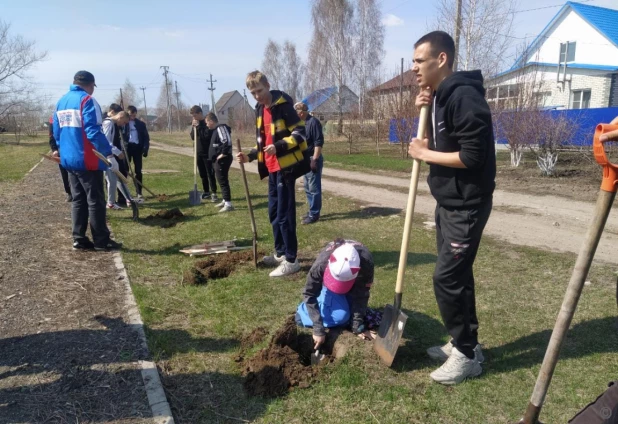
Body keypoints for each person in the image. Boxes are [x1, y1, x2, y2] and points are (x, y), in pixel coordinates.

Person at [407, 31, 495, 385]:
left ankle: (467, 356)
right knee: (458, 278)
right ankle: (466, 342)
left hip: (467, 206)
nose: (414, 68)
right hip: (449, 202)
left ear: (441, 59)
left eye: (419, 61)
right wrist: (425, 110)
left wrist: (425, 154)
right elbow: (449, 141)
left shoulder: (464, 97)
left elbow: (474, 156)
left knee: (446, 278)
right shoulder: (442, 97)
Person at [236, 70, 310, 277]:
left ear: (268, 85)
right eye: (253, 93)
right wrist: (250, 156)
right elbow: (263, 141)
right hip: (270, 167)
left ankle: (292, 260)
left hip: (285, 167)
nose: (257, 96)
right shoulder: (260, 109)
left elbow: (300, 134)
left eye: (259, 91)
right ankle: (280, 253)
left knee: (286, 215)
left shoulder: (284, 106)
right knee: (274, 213)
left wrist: (279, 146)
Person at [52, 70, 122, 251]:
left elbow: (57, 133)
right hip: (87, 159)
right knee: (95, 200)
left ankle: (79, 239)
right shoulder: (87, 101)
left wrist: (64, 150)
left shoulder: (61, 101)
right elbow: (93, 131)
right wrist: (108, 154)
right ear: (90, 85)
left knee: (78, 200)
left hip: (69, 160)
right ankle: (101, 240)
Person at [296, 240, 375, 349]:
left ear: (356, 270)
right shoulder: (321, 264)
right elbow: (309, 293)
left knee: (349, 314)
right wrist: (318, 328)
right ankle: (302, 313)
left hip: (354, 285)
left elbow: (361, 295)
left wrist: (357, 326)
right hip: (328, 286)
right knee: (341, 316)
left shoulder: (366, 264)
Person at [294, 102, 324, 225]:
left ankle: (314, 214)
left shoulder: (313, 122)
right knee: (307, 186)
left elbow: (318, 143)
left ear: (301, 113)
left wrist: (315, 160)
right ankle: (312, 210)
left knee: (314, 187)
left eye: (296, 114)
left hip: (312, 158)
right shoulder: (301, 123)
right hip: (305, 158)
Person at [205, 112, 234, 212]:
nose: (206, 125)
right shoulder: (215, 130)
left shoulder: (221, 128)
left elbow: (227, 142)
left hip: (223, 160)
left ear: (211, 121)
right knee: (221, 180)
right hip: (217, 160)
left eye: (207, 122)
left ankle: (228, 204)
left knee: (223, 181)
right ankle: (224, 200)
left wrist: (223, 153)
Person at [190, 105, 218, 203]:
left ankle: (214, 192)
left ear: (200, 113)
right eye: (192, 116)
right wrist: (193, 127)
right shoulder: (195, 124)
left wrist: (198, 127)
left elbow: (206, 136)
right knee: (202, 174)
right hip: (198, 153)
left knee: (210, 173)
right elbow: (193, 137)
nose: (194, 117)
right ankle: (206, 191)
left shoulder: (206, 123)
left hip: (207, 153)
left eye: (195, 115)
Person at [102, 110, 130, 209]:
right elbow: (106, 140)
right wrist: (117, 152)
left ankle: (128, 199)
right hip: (106, 154)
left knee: (117, 177)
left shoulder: (113, 124)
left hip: (109, 154)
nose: (123, 124)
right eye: (124, 122)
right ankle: (110, 203)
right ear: (120, 117)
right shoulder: (108, 123)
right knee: (111, 179)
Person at [122, 105, 150, 202]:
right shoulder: (123, 124)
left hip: (137, 148)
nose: (132, 117)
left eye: (134, 115)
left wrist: (145, 148)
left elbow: (146, 137)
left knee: (138, 171)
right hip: (127, 148)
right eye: (130, 115)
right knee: (125, 170)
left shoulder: (141, 124)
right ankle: (125, 193)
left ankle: (139, 192)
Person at [48, 115, 72, 202]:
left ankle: (79, 192)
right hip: (61, 148)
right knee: (64, 171)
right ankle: (69, 193)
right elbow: (51, 135)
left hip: (73, 147)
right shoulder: (53, 119)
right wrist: (54, 149)